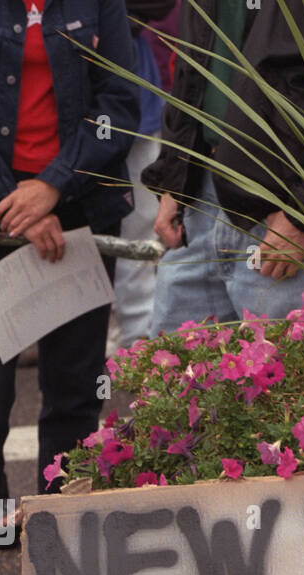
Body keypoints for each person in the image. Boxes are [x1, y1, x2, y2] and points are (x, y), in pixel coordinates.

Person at [0, 0, 140, 575]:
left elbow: (122, 102)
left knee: (73, 399)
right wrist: (13, 205)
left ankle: (56, 560)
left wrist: (55, 186)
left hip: (80, 214)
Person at [144, 0, 304, 333]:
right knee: (176, 379)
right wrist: (174, 174)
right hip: (200, 197)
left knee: (291, 377)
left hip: (289, 206)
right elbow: (195, 57)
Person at [112, 2, 177, 348]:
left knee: (139, 221)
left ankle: (139, 335)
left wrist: (106, 14)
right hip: (42, 104)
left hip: (128, 87)